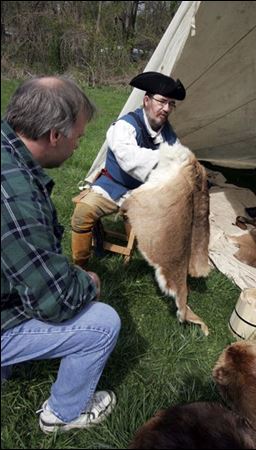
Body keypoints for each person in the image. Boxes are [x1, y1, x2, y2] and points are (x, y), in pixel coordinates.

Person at [1, 76, 121, 433]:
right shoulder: (15, 200)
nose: (77, 145)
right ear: (55, 135)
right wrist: (87, 281)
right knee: (102, 323)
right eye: (79, 137)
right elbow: (57, 299)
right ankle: (63, 414)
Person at [71, 71, 186, 267]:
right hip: (113, 186)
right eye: (162, 102)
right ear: (147, 100)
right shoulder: (125, 126)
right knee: (82, 213)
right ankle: (79, 267)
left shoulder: (168, 133)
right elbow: (131, 160)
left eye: (171, 104)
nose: (166, 108)